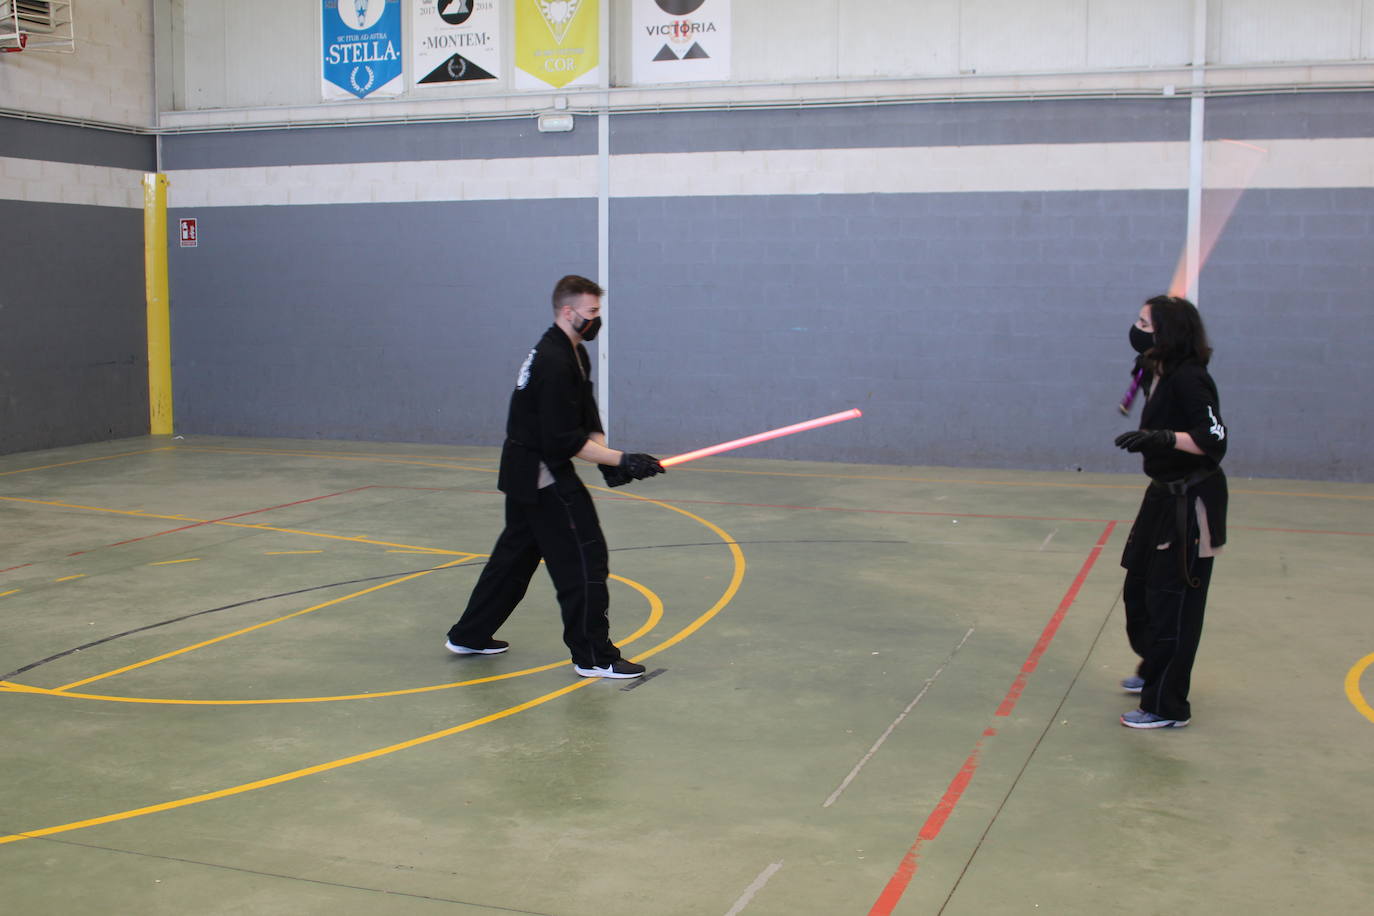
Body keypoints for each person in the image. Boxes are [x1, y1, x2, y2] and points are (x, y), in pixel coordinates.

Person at [445, 275, 665, 678]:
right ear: (568, 311)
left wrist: (606, 459)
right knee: (584, 559)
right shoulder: (552, 360)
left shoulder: (573, 352)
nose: (597, 319)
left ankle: (470, 634)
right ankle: (593, 656)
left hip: (527, 470)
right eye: (592, 312)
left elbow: (585, 415)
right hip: (541, 473)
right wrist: (622, 460)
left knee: (515, 558)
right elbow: (564, 440)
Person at [1113, 294, 1228, 729]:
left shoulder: (1191, 378)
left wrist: (1164, 438)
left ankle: (1167, 705)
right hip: (1160, 494)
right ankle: (1152, 671)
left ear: (1166, 332)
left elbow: (1213, 440)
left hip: (1190, 501)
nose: (1136, 327)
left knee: (1173, 602)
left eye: (1145, 322)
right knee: (1140, 587)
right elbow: (1146, 374)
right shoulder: (1157, 370)